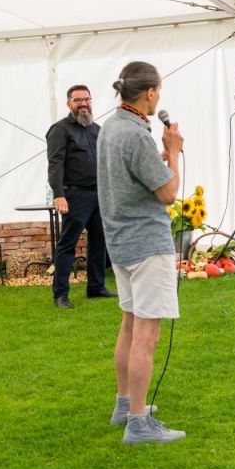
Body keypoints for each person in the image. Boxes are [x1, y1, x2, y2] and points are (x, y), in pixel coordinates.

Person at [97, 61, 185, 444]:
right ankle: (138, 423)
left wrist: (160, 159)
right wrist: (174, 152)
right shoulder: (135, 134)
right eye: (158, 91)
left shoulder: (111, 126)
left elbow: (131, 177)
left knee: (130, 325)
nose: (158, 98)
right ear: (149, 92)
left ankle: (125, 404)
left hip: (120, 241)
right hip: (147, 244)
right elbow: (168, 193)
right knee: (147, 335)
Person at [46, 84, 116, 309]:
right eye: (78, 100)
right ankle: (60, 295)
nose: (83, 104)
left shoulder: (97, 129)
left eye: (87, 99)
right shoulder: (60, 129)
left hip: (99, 194)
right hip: (75, 195)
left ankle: (96, 287)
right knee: (68, 244)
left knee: (99, 242)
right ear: (69, 104)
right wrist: (59, 195)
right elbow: (55, 164)